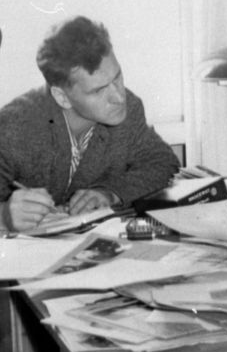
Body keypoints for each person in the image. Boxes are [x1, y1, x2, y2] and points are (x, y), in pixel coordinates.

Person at [0, 16, 179, 233]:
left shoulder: (128, 110)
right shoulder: (14, 128)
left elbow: (162, 161)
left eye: (117, 77)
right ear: (62, 97)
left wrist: (109, 193)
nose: (118, 97)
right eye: (99, 90)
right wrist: (3, 216)